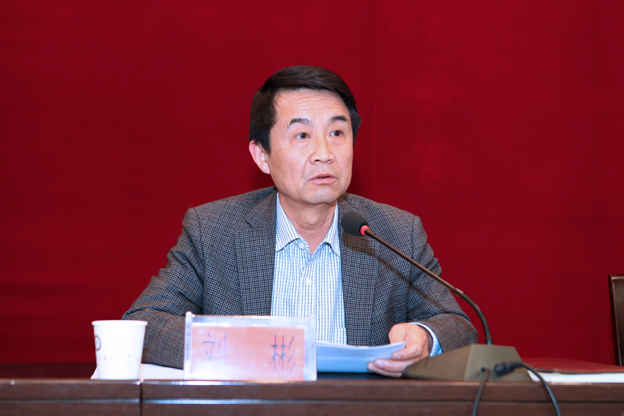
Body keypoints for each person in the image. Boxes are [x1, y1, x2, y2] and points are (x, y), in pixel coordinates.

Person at [123, 65, 477, 378]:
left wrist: (424, 338)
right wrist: (242, 348)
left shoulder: (396, 232)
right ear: (262, 156)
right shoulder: (213, 230)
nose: (324, 153)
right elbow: (144, 323)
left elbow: (457, 325)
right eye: (302, 135)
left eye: (337, 133)